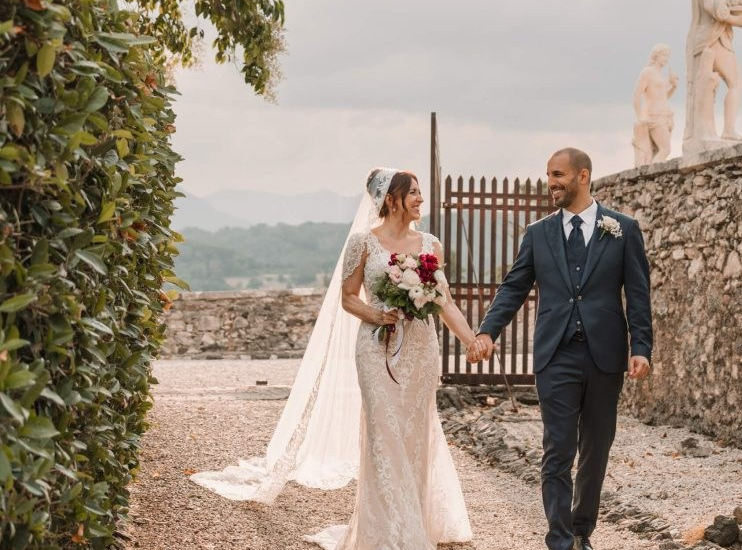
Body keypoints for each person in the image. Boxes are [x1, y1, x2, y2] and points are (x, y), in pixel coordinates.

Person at [191, 168, 475, 550]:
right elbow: (348, 297)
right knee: (383, 434)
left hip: (420, 350)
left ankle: (416, 519)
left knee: (414, 434)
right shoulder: (363, 243)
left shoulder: (430, 245)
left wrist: (472, 340)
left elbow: (444, 302)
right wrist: (378, 315)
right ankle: (393, 532)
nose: (420, 199)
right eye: (413, 192)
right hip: (376, 349)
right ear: (391, 199)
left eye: (419, 192)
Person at [469, 148, 653, 550]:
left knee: (596, 448)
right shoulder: (538, 234)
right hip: (556, 356)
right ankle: (560, 539)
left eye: (558, 174)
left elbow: (639, 295)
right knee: (558, 447)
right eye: (549, 175)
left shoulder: (623, 229)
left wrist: (641, 346)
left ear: (582, 176)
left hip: (605, 357)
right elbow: (513, 287)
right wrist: (487, 332)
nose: (550, 182)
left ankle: (581, 529)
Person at [683, 0, 742, 153]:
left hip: (701, 37)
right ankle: (729, 131)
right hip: (713, 37)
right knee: (736, 83)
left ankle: (705, 132)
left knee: (707, 86)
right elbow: (709, 4)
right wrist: (734, 19)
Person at [632, 43, 678, 166]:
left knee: (658, 151)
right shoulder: (647, 72)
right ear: (656, 55)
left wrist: (673, 86)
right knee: (665, 149)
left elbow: (664, 97)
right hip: (654, 115)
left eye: (668, 56)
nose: (666, 59)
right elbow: (636, 95)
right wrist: (639, 117)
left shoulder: (660, 74)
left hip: (665, 115)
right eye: (664, 55)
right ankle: (653, 174)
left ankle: (652, 172)